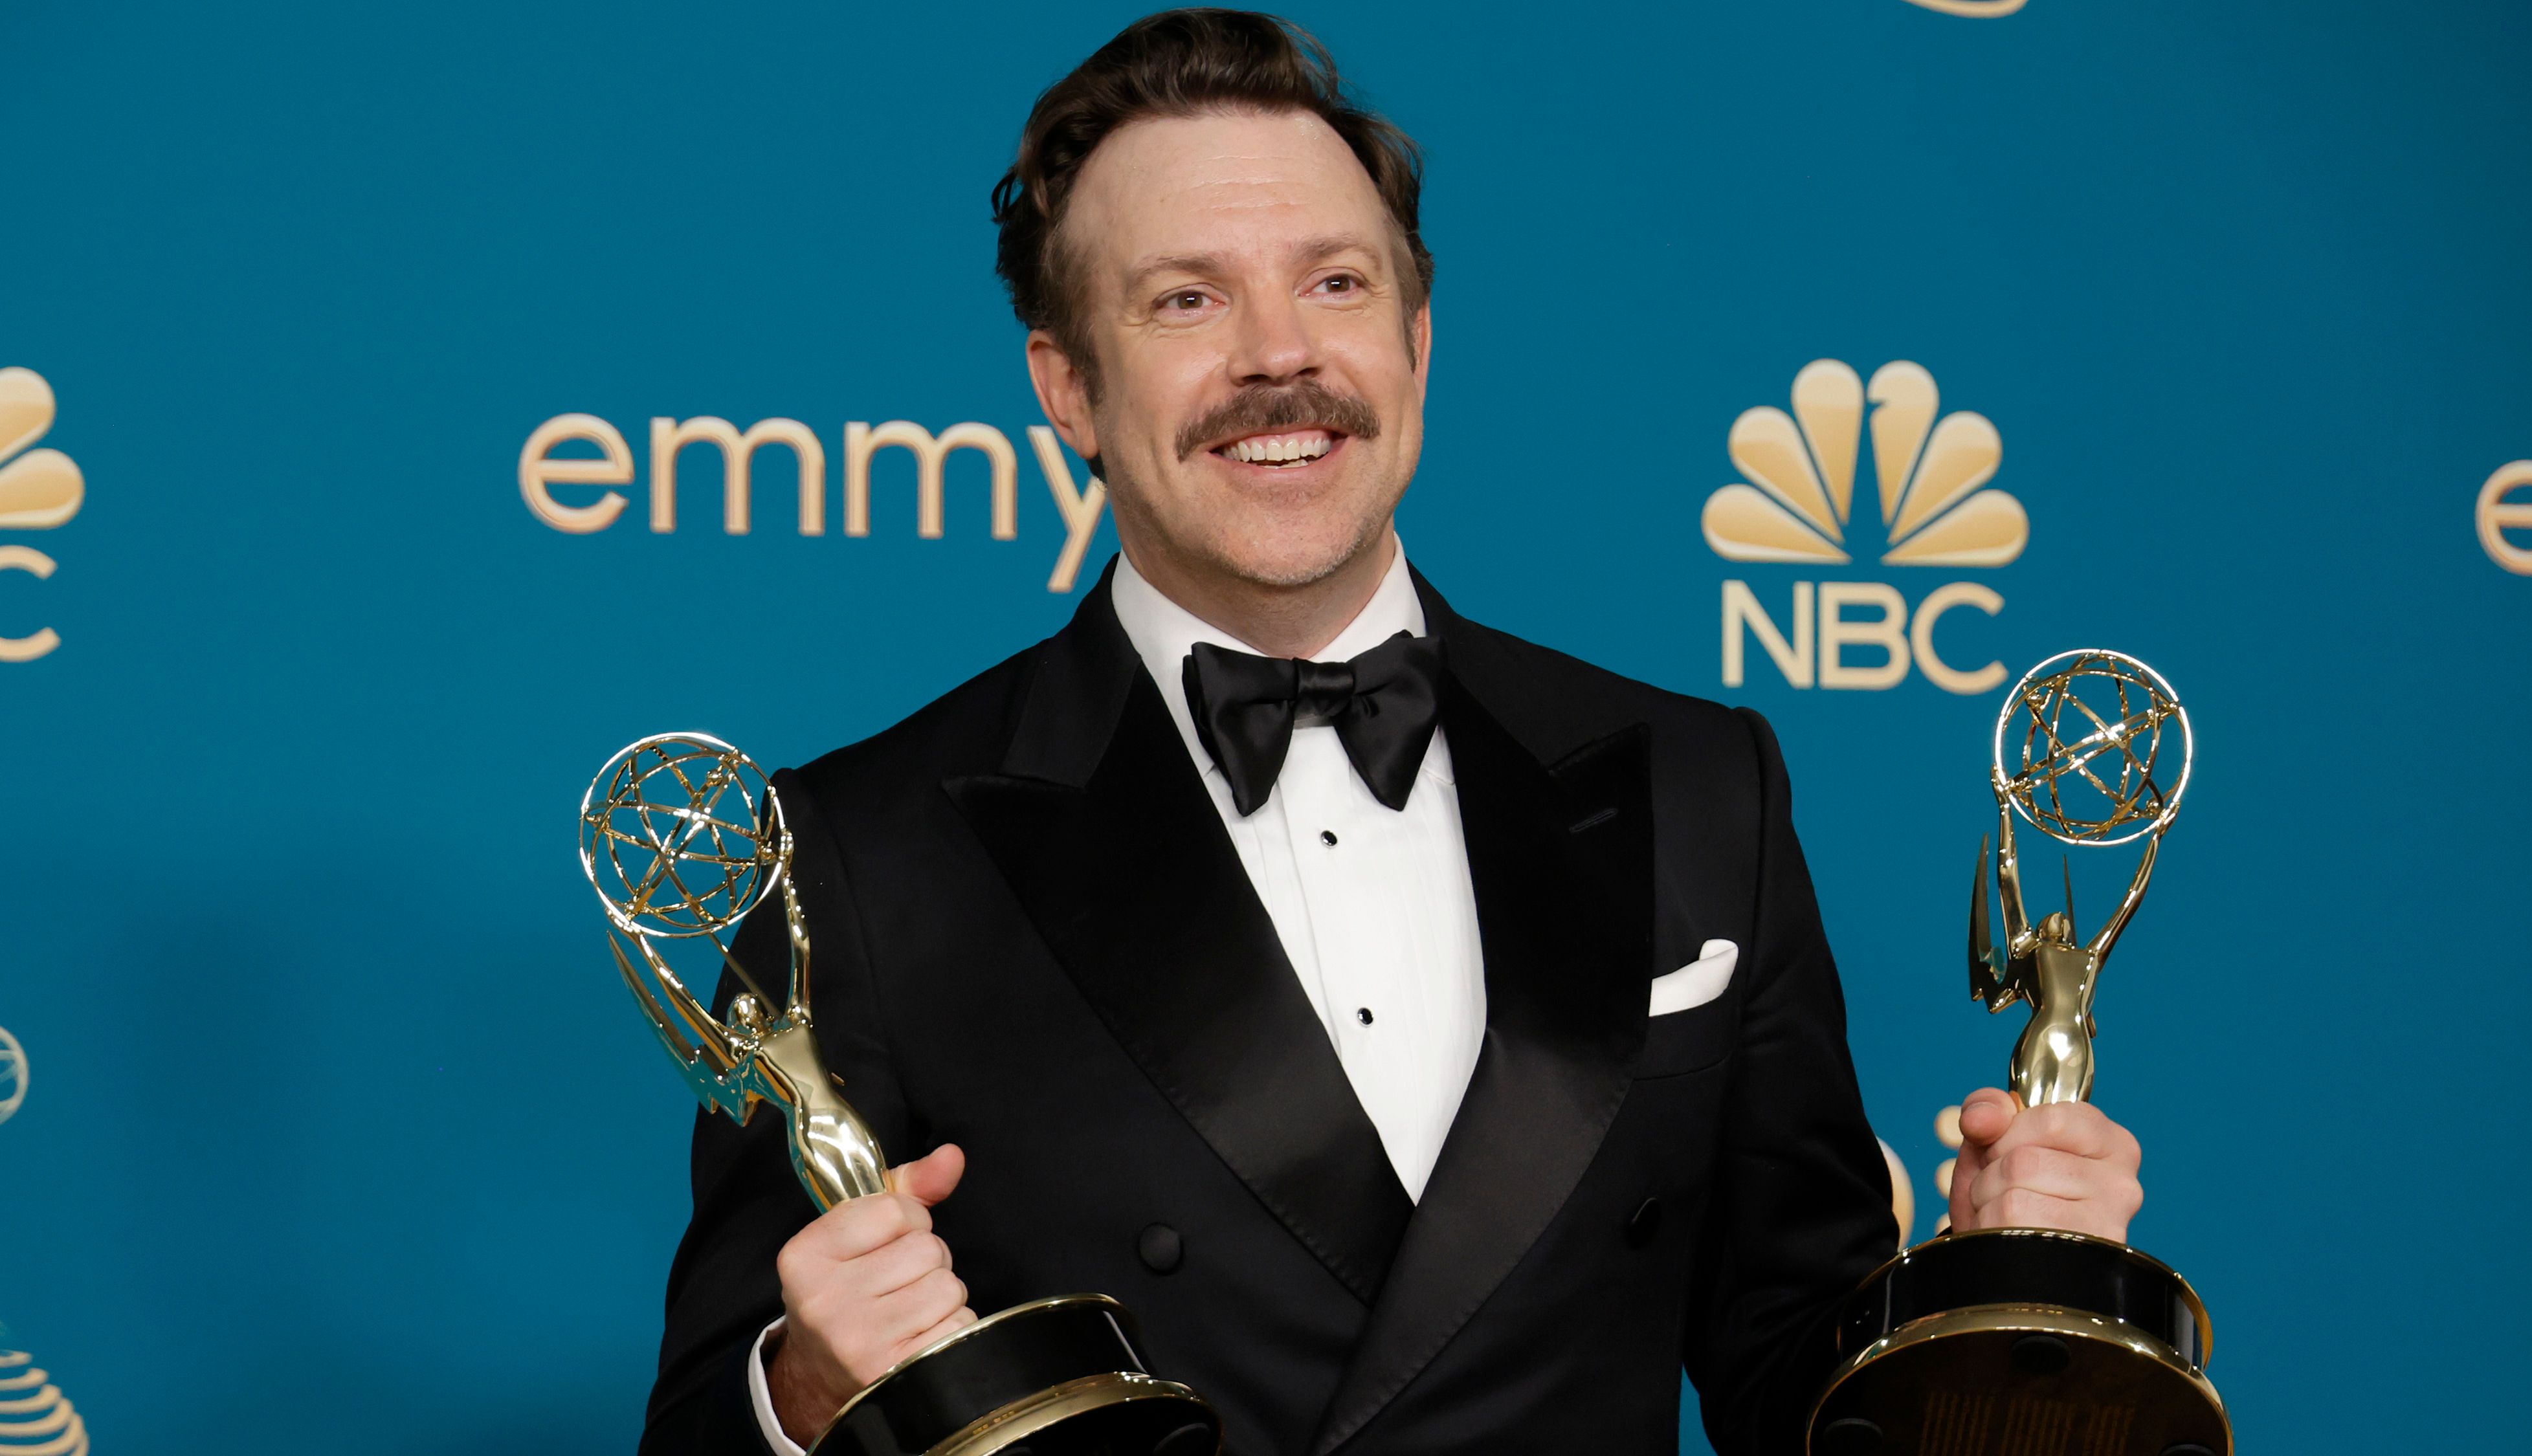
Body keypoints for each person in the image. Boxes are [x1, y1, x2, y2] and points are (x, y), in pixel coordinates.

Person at [641, 12, 2146, 1455]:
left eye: (1336, 284)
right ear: (1066, 388)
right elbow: (699, 1434)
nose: (1276, 357)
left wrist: (1987, 1298)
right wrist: (803, 1390)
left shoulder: (1699, 786)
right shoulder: (855, 854)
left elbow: (1794, 1383)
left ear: (1417, 337)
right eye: (1185, 299)